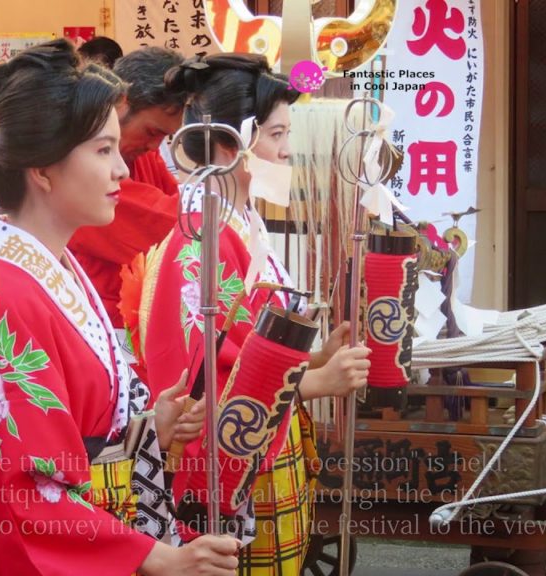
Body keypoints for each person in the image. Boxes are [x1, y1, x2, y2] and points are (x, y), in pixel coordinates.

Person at [0, 38, 239, 575]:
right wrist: (156, 557)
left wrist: (151, 427)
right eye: (104, 151)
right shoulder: (4, 294)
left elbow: (86, 438)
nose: (123, 171)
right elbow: (20, 490)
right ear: (43, 170)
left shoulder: (55, 269)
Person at [135, 54, 372, 575]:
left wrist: (311, 359)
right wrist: (315, 381)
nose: (287, 151)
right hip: (231, 459)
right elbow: (206, 378)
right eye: (276, 134)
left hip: (261, 441)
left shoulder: (238, 222)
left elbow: (247, 352)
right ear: (229, 142)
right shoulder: (201, 237)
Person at [67, 47, 189, 356]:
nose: (154, 146)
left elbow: (181, 212)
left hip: (140, 323)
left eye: (165, 138)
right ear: (121, 106)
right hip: (100, 327)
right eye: (152, 132)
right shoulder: (78, 166)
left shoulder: (144, 156)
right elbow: (177, 227)